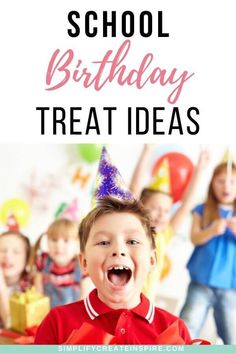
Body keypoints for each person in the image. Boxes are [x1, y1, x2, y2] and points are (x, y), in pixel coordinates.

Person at [35, 197, 195, 344]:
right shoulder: (57, 323)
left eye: (132, 241)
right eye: (104, 242)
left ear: (152, 259)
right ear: (84, 262)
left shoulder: (175, 330)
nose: (118, 250)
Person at [129, 145, 209, 299]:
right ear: (140, 207)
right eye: (155, 208)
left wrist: (199, 170)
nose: (161, 215)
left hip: (145, 304)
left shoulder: (163, 235)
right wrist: (146, 150)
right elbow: (134, 189)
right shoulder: (135, 228)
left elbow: (186, 206)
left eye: (166, 211)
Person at [180, 162, 236, 344]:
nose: (226, 186)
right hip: (200, 283)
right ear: (212, 183)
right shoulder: (202, 209)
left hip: (230, 287)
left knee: (232, 336)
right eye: (221, 181)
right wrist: (211, 230)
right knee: (187, 327)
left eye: (232, 182)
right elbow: (195, 237)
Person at [32, 218, 83, 308]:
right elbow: (38, 294)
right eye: (54, 240)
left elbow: (84, 298)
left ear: (77, 244)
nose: (59, 245)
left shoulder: (81, 266)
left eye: (66, 240)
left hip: (72, 315)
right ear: (47, 242)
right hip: (47, 314)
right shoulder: (43, 262)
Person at [0, 230, 31, 328]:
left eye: (16, 252)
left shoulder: (32, 287)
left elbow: (11, 326)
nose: (8, 256)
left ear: (26, 260)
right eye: (2, 250)